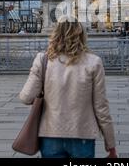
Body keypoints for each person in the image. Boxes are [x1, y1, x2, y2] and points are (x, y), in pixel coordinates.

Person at [19, 18, 116, 158]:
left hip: (50, 134)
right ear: (81, 35)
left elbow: (25, 97)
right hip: (82, 134)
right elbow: (101, 107)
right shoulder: (94, 62)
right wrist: (110, 144)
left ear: (56, 34)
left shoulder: (43, 60)